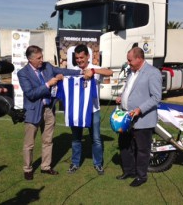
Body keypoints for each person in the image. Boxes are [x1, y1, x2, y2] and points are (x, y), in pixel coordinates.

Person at [17, 45, 85, 180]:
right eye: (38, 58)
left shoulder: (47, 66)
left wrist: (81, 72)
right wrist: (48, 84)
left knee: (48, 141)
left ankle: (46, 167)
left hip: (49, 110)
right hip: (33, 111)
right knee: (29, 144)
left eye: (42, 57)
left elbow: (62, 71)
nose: (42, 60)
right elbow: (30, 94)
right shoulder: (23, 73)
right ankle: (28, 169)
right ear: (30, 60)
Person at [115, 47, 162, 187]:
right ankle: (129, 171)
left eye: (130, 60)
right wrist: (122, 97)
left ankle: (141, 176)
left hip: (142, 119)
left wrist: (139, 109)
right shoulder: (132, 71)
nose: (128, 62)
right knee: (124, 145)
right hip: (126, 117)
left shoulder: (152, 73)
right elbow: (131, 90)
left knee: (142, 149)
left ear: (139, 59)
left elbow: (156, 98)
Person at [67, 44, 113, 175]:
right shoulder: (74, 70)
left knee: (96, 139)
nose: (79, 60)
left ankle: (98, 164)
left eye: (81, 57)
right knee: (76, 138)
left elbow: (110, 72)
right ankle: (75, 163)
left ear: (88, 56)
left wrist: (93, 72)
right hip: (77, 111)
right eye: (77, 58)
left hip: (93, 110)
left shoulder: (95, 68)